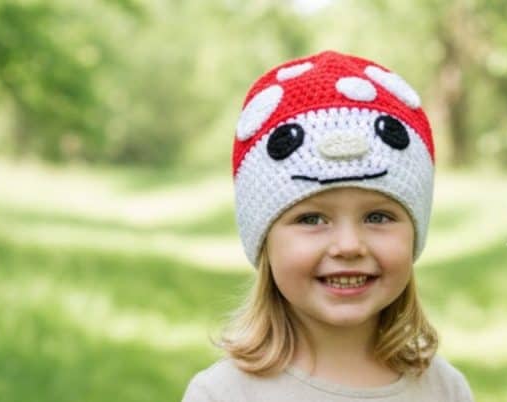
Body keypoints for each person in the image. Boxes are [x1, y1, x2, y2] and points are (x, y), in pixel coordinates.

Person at [181, 50, 475, 401]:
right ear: (264, 242)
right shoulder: (224, 394)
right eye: (311, 219)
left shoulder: (444, 390)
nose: (349, 246)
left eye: (377, 217)